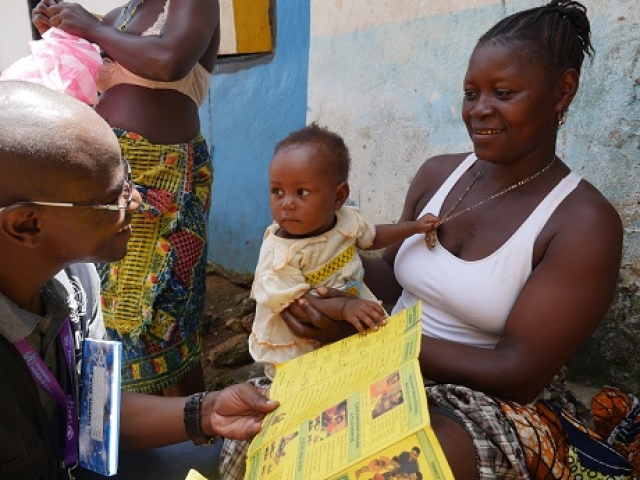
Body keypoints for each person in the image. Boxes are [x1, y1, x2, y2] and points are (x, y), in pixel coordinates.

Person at [281, 1, 640, 478]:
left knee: (379, 468)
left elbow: (518, 371)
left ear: (563, 92)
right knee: (276, 441)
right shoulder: (439, 175)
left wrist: (370, 339)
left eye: (504, 92)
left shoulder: (582, 223)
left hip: (488, 402)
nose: (480, 110)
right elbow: (393, 282)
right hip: (382, 364)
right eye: (471, 93)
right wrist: (321, 259)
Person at [0, 80, 278, 480]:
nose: (135, 201)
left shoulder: (77, 280)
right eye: (113, 195)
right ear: (26, 224)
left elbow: (94, 414)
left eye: (128, 179)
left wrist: (207, 411)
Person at [32, 0, 220, 396]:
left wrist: (92, 29)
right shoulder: (120, 16)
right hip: (104, 187)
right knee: (104, 311)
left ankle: (196, 434)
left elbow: (170, 61)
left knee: (166, 315)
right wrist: (61, 31)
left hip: (165, 185)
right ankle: (125, 434)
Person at [250, 123, 438, 378]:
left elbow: (372, 237)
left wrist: (413, 227)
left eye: (301, 192)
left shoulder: (346, 221)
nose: (287, 204)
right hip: (302, 345)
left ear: (339, 197)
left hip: (348, 321)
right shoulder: (280, 256)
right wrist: (344, 309)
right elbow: (301, 306)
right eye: (277, 192)